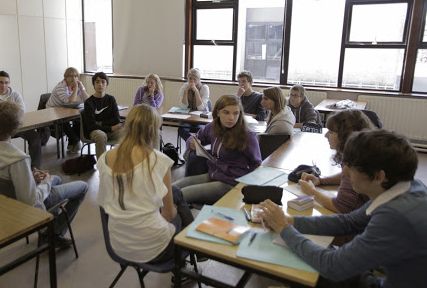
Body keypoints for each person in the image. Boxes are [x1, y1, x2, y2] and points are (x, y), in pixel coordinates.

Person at [258, 129, 427, 288]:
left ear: (378, 176)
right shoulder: (407, 186)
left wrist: (284, 229)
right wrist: (290, 221)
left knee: (307, 267)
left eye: (351, 167)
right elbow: (348, 222)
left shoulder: (395, 217)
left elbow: (333, 266)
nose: (345, 173)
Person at [0, 101, 89, 248]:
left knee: (57, 179)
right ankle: (53, 234)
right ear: (16, 128)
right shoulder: (18, 158)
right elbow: (31, 201)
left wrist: (29, 178)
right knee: (82, 187)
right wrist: (46, 181)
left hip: (0, 204)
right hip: (21, 208)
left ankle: (52, 230)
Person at [97, 104, 194, 275]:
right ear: (151, 129)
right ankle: (190, 254)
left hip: (118, 244)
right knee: (178, 217)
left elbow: (105, 203)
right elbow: (169, 215)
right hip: (153, 250)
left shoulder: (104, 157)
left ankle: (190, 255)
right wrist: (171, 211)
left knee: (175, 191)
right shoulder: (157, 160)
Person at [174, 95, 262, 205]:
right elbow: (195, 138)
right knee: (172, 188)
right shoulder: (213, 126)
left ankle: (182, 220)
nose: (231, 118)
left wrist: (242, 186)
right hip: (213, 174)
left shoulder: (248, 135)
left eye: (236, 113)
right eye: (226, 112)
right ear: (218, 112)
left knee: (182, 194)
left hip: (230, 183)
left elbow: (257, 165)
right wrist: (191, 142)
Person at [299, 109, 374, 213]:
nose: (326, 136)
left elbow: (341, 207)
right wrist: (321, 181)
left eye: (331, 132)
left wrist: (311, 191)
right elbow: (346, 175)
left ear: (345, 135)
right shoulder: (360, 152)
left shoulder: (355, 161)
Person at [0, 71, 42, 170]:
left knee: (35, 137)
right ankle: (5, 167)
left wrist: (1, 113)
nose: (4, 85)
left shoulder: (15, 95)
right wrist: (11, 111)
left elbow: (22, 111)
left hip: (16, 127)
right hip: (0, 129)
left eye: (6, 83)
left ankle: (35, 168)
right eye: (1, 82)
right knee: (1, 143)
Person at [46, 67, 89, 154]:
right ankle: (75, 140)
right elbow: (70, 101)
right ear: (66, 77)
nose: (74, 78)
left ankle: (71, 143)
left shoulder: (78, 84)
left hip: (66, 109)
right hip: (53, 110)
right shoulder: (60, 86)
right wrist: (76, 88)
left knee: (80, 118)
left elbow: (88, 101)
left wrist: (82, 89)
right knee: (64, 120)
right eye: (71, 76)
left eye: (76, 76)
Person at [83, 72, 123, 158]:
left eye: (103, 82)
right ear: (93, 84)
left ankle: (121, 163)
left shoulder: (111, 99)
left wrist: (100, 123)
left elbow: (116, 119)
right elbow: (91, 125)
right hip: (95, 131)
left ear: (106, 84)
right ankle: (102, 166)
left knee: (128, 132)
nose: (100, 84)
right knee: (101, 136)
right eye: (97, 82)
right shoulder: (89, 102)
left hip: (110, 131)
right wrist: (110, 127)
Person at [178, 68, 210, 142]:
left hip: (200, 117)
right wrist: (186, 91)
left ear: (199, 79)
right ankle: (192, 143)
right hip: (188, 117)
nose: (192, 81)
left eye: (195, 79)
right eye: (190, 78)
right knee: (181, 129)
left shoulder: (204, 88)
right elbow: (183, 107)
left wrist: (196, 91)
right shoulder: (184, 87)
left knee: (201, 131)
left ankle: (194, 145)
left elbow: (201, 108)